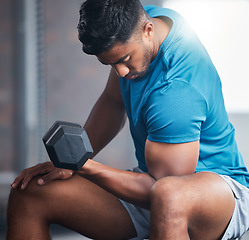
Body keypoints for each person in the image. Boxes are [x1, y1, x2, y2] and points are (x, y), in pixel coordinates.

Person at [7, 0, 249, 239]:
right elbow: (113, 103)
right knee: (30, 193)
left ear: (148, 31)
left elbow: (158, 189)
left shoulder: (175, 90)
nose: (121, 73)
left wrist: (84, 165)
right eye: (112, 64)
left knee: (169, 197)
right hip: (155, 183)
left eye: (124, 60)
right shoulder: (140, 20)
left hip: (218, 194)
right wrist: (70, 162)